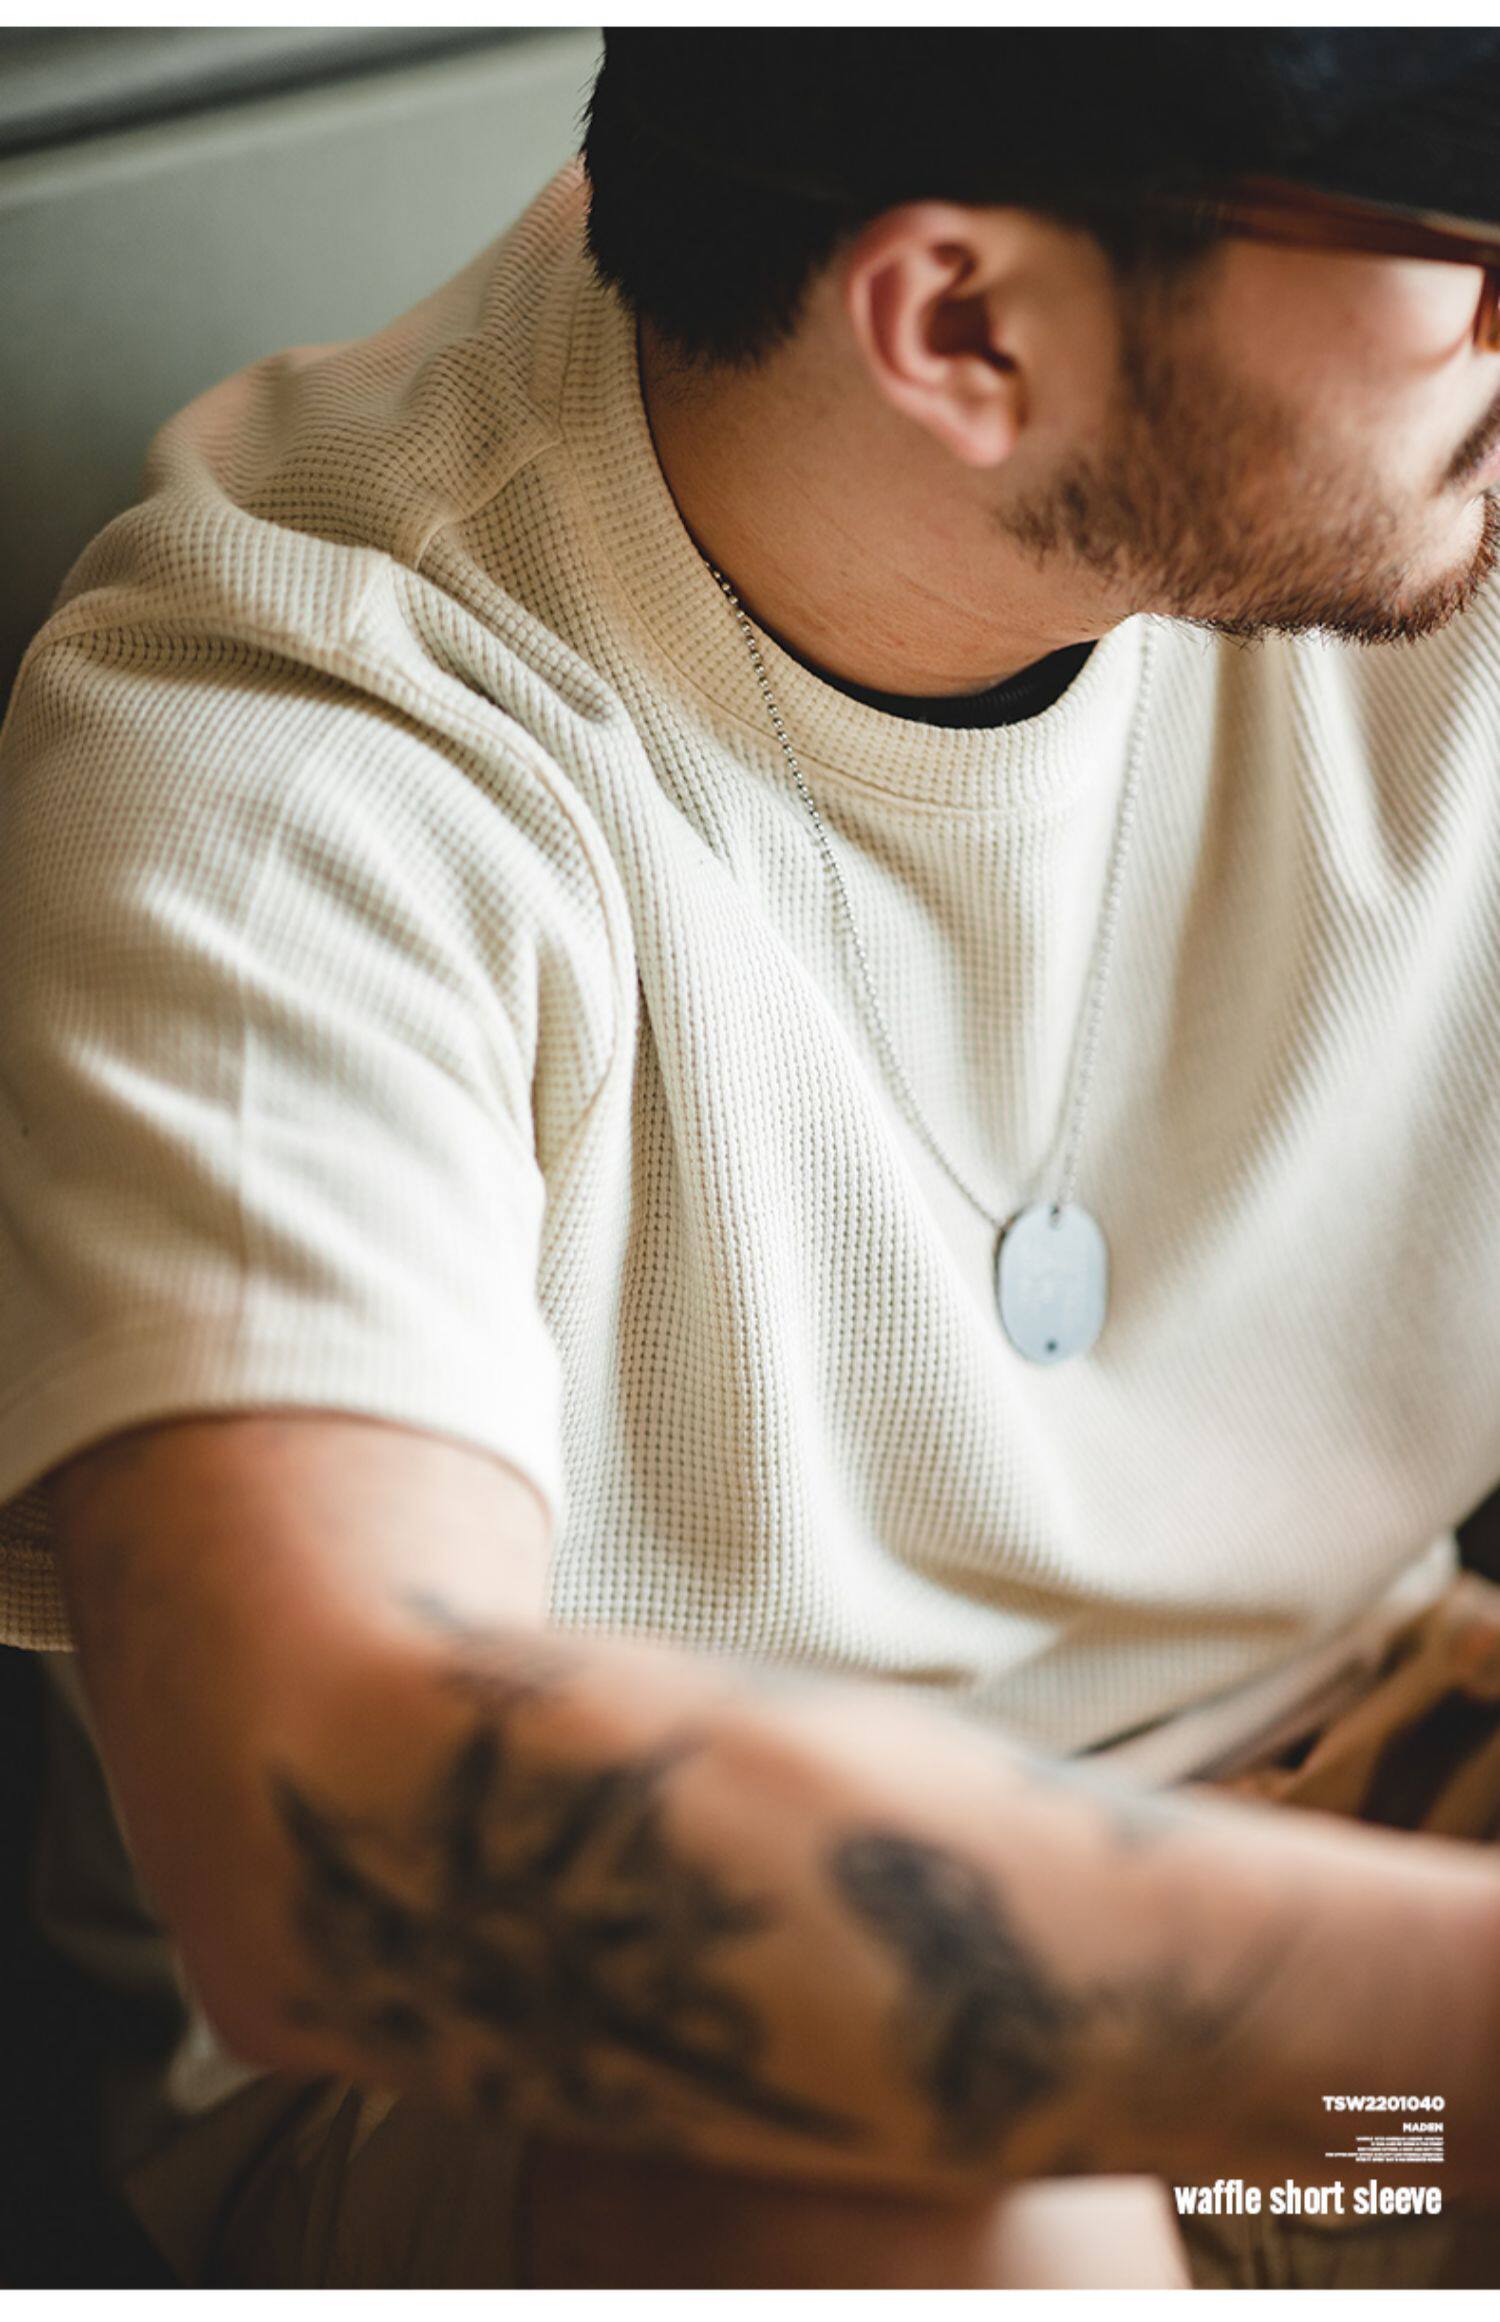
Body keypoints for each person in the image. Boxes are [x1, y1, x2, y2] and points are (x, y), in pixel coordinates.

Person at [2, 26, 1499, 2291]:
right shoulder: (299, 767)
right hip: (547, 2110)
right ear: (963, 327)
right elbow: (338, 1832)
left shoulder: (1396, 470)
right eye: (1471, 228)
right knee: (947, 2215)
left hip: (1355, 1945)